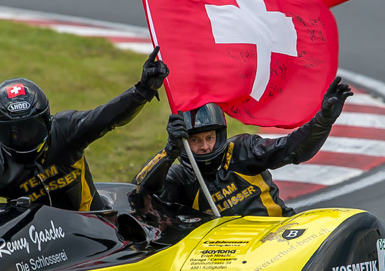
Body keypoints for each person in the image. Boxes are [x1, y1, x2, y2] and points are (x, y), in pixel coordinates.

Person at [0, 47, 168, 210]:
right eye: (12, 132)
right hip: (35, 246)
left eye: (29, 129)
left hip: (92, 229)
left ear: (46, 121)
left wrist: (142, 90)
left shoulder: (65, 130)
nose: (21, 138)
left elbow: (104, 117)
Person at [132, 77, 353, 217]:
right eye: (195, 141)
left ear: (219, 135)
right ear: (183, 144)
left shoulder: (242, 149)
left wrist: (322, 121)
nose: (205, 147)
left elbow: (291, 149)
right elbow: (139, 192)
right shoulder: (179, 175)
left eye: (209, 138)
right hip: (223, 256)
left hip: (275, 235)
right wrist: (169, 152)